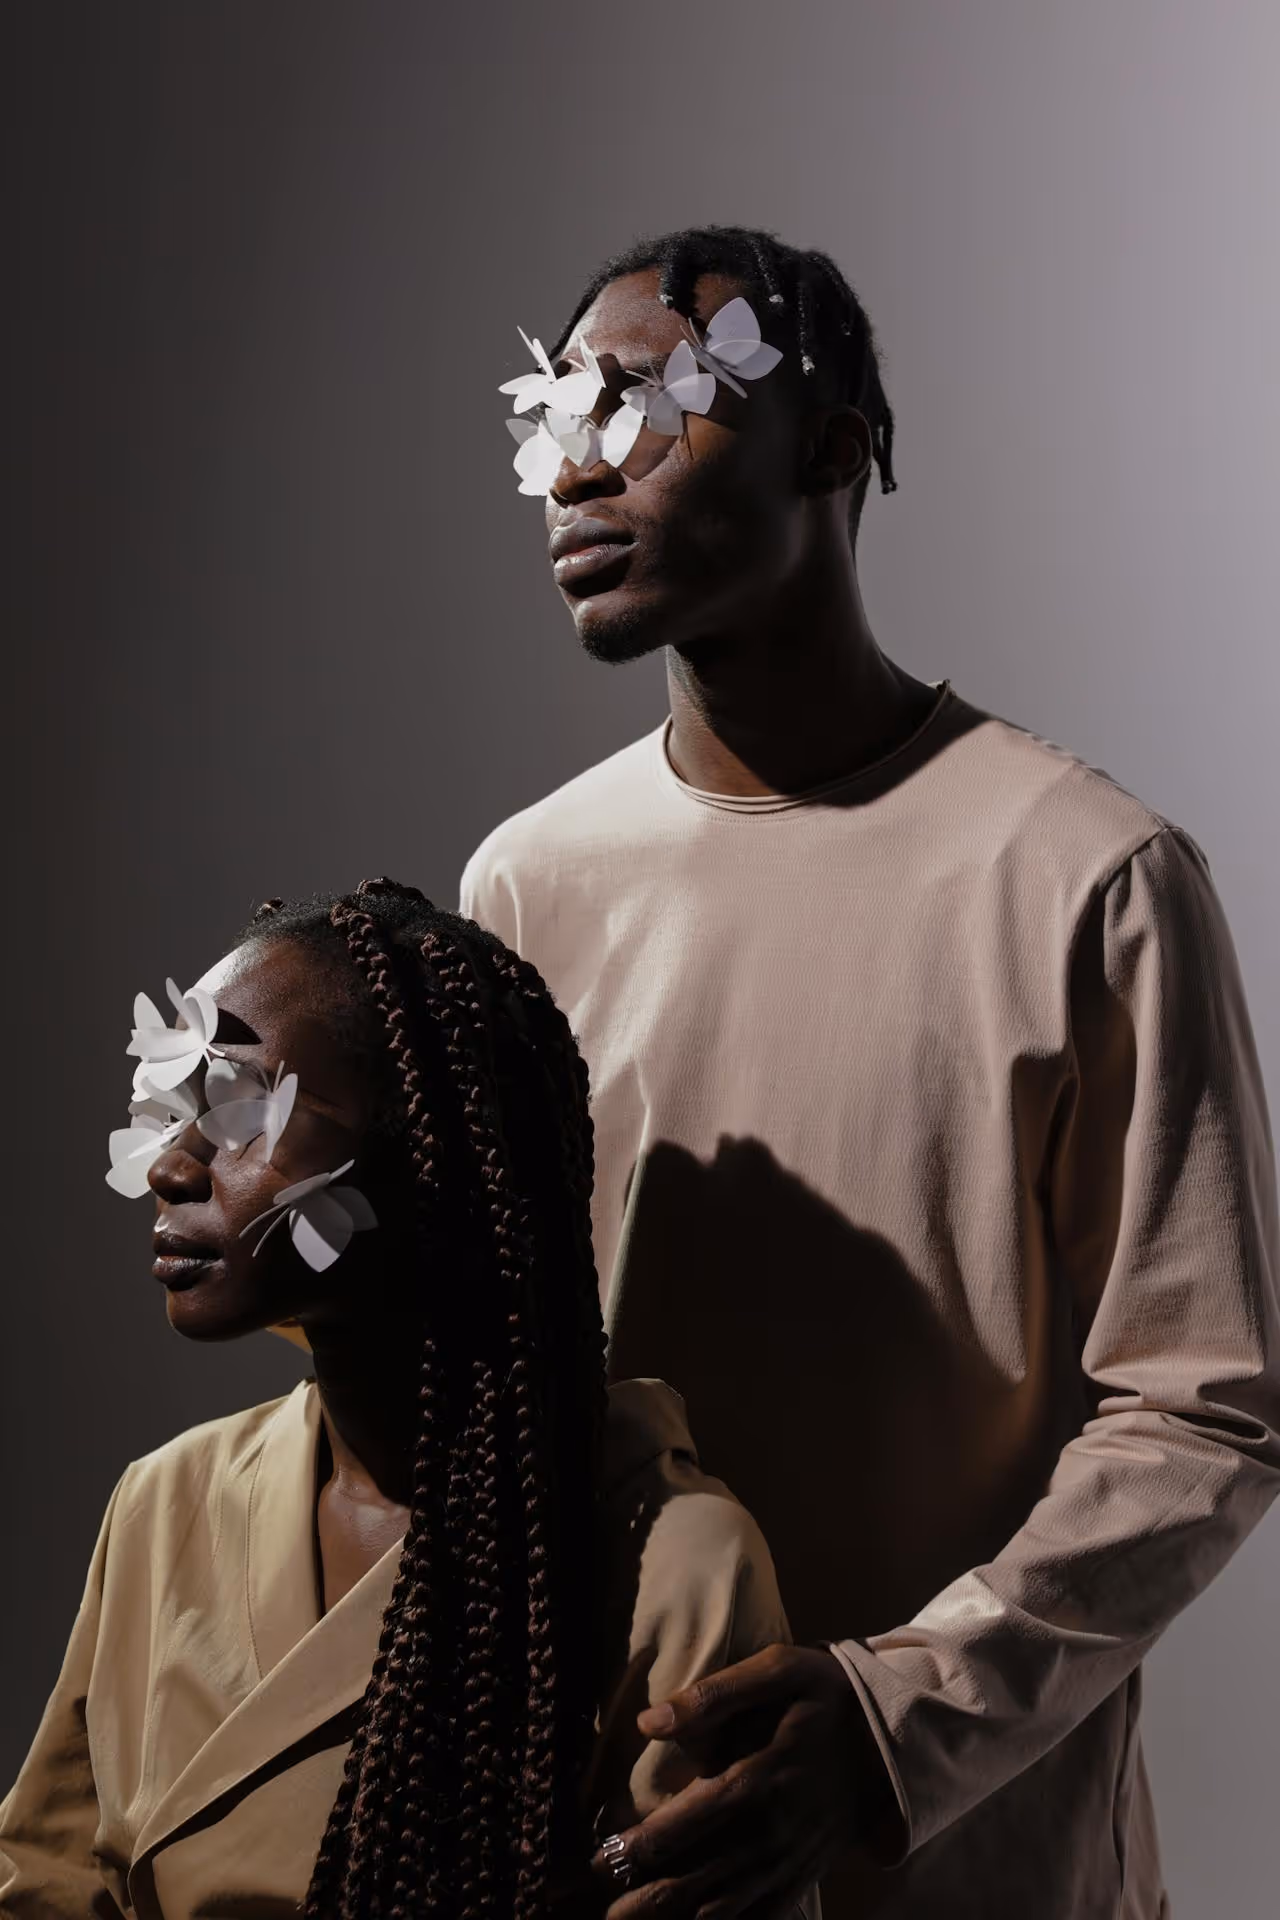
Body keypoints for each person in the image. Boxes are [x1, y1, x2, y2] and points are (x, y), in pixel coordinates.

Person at [461, 225, 1280, 1918]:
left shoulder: (1092, 881)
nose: (572, 473)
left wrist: (903, 1718)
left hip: (970, 1860)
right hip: (620, 1851)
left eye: (642, 412)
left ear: (833, 454)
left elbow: (1206, 1404)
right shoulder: (525, 887)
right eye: (554, 421)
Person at [0, 879, 817, 1920]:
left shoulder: (674, 1566)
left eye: (241, 1111)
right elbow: (42, 1878)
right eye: (171, 1105)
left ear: (431, 1160)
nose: (171, 1165)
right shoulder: (165, 1500)